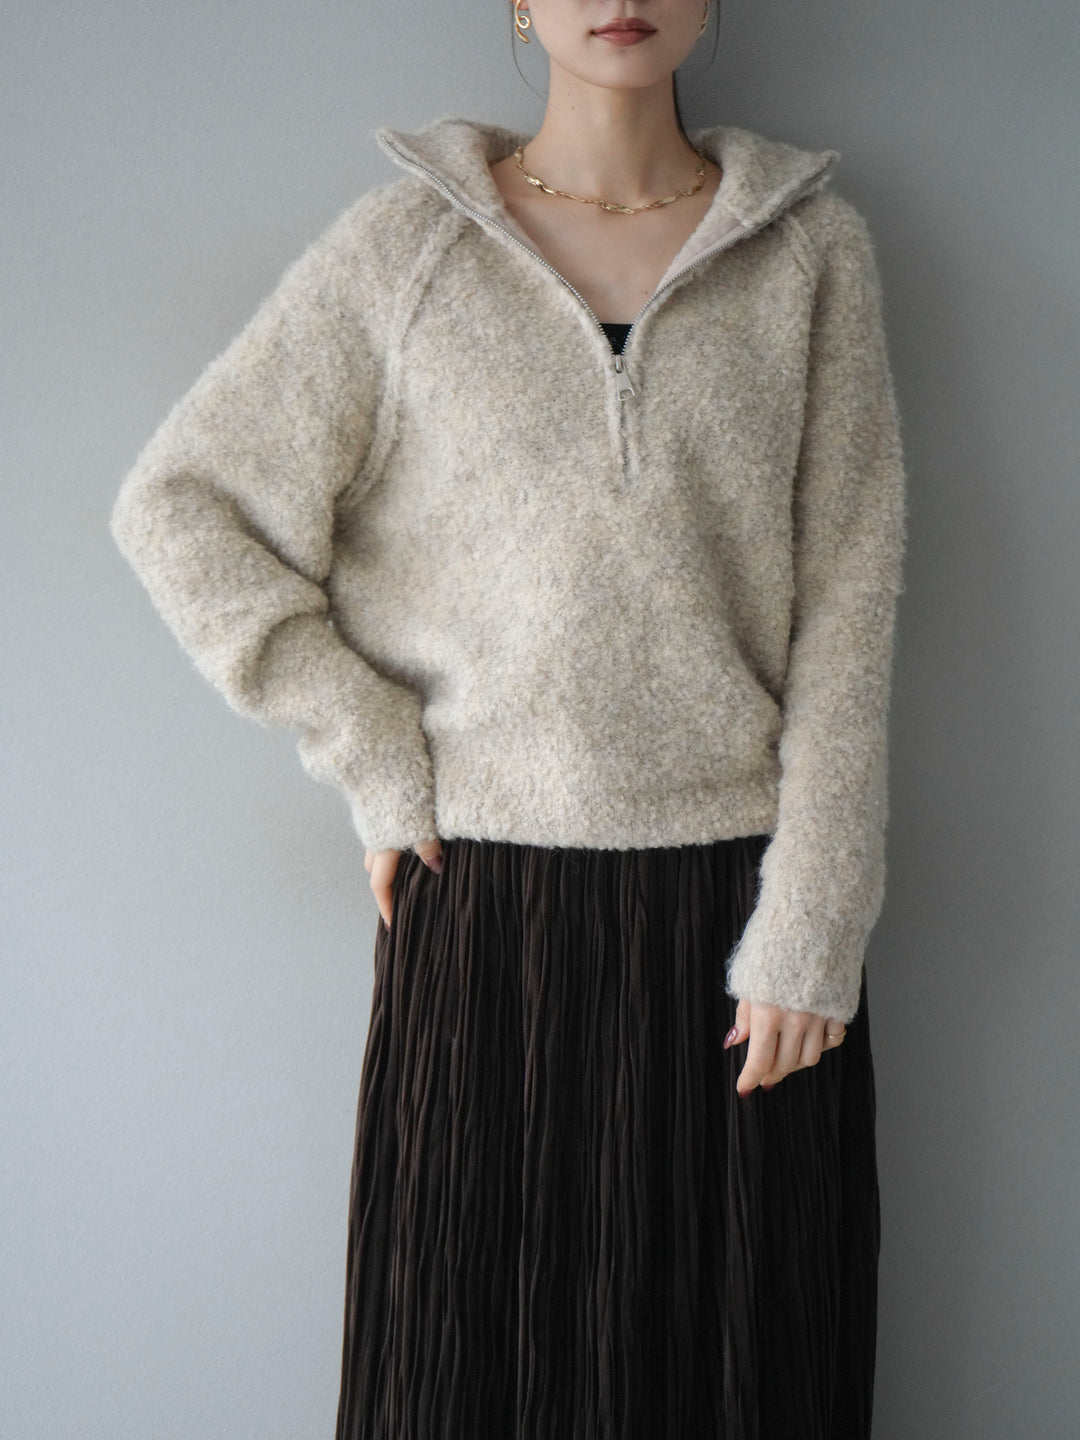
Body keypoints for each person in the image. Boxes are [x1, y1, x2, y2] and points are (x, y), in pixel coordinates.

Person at [109, 0, 908, 1434]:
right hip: (483, 915)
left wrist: (817, 921)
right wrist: (371, 753)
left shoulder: (811, 252)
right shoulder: (403, 250)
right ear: (520, 5)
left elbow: (851, 600)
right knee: (467, 1384)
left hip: (745, 937)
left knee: (738, 1378)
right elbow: (183, 507)